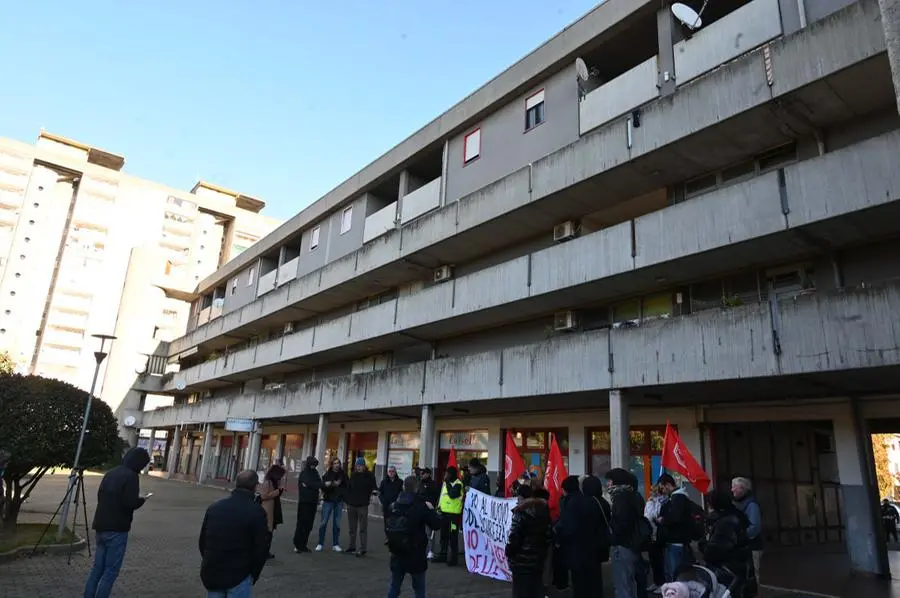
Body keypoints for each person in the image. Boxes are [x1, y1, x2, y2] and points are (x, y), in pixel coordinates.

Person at [84, 447, 151, 598]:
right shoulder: (132, 476)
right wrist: (142, 500)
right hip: (117, 529)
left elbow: (100, 495)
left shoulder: (111, 473)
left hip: (100, 525)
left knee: (97, 569)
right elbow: (130, 502)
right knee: (111, 572)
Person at [199, 470, 271, 597]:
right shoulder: (256, 512)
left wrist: (210, 561)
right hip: (239, 576)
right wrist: (253, 574)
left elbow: (203, 541)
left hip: (213, 573)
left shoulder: (215, 507)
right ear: (255, 486)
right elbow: (261, 548)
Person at [385, 476, 442, 598]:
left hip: (397, 550)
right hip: (416, 553)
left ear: (403, 487)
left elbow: (388, 525)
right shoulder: (421, 506)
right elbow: (436, 525)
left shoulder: (394, 505)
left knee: (395, 586)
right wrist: (432, 510)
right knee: (419, 588)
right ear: (417, 489)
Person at [554, 475, 609, 598]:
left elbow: (568, 527)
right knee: (594, 579)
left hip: (577, 550)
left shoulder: (572, 503)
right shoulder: (597, 502)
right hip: (594, 548)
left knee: (580, 583)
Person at [606, 467, 649, 598]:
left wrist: (613, 537)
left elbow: (621, 523)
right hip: (634, 543)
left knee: (622, 583)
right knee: (634, 582)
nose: (607, 484)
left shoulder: (620, 497)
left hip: (623, 545)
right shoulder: (635, 496)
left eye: (609, 481)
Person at [703, 489, 752, 597]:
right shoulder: (733, 516)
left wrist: (704, 545)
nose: (709, 506)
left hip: (728, 573)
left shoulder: (727, 522)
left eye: (710, 503)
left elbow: (714, 552)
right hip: (736, 570)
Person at [506, 482, 552, 598]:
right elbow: (548, 536)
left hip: (521, 563)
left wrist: (509, 551)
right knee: (535, 591)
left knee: (520, 592)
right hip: (538, 561)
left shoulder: (520, 513)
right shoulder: (543, 512)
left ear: (520, 497)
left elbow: (515, 539)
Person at [656, 473, 698, 581]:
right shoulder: (676, 498)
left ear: (668, 485)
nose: (663, 491)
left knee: (676, 574)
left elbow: (676, 517)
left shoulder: (678, 498)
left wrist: (663, 520)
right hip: (677, 540)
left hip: (676, 540)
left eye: (662, 488)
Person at [345, 457, 378, 556]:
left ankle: (362, 548)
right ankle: (352, 546)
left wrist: (374, 491)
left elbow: (374, 487)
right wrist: (347, 500)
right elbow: (349, 488)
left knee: (363, 528)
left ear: (364, 466)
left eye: (361, 466)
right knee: (352, 528)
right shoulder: (353, 475)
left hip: (363, 505)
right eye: (357, 466)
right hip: (351, 505)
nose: (359, 468)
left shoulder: (370, 476)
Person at [731, 477, 763, 583]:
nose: (732, 490)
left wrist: (739, 537)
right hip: (744, 547)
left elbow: (754, 528)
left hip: (752, 547)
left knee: (753, 576)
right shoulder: (739, 503)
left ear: (743, 488)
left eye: (734, 487)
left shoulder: (751, 504)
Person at [433, 465, 463, 566]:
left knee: (453, 537)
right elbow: (443, 496)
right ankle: (443, 555)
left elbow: (452, 494)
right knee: (443, 536)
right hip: (444, 514)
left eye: (448, 474)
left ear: (452, 474)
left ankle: (453, 559)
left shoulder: (458, 484)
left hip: (454, 515)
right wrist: (439, 505)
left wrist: (446, 482)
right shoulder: (446, 484)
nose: (446, 475)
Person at [292, 456, 321, 553]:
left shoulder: (315, 473)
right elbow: (307, 484)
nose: (313, 467)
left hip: (312, 502)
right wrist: (312, 485)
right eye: (312, 465)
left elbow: (318, 484)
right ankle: (297, 544)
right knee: (301, 524)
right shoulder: (304, 474)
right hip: (304, 502)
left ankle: (303, 545)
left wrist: (310, 485)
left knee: (309, 525)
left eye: (314, 465)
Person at [317, 458, 346, 552]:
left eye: (338, 463)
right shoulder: (327, 474)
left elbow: (347, 487)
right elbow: (323, 487)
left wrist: (343, 496)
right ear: (332, 465)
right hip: (328, 501)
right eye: (335, 463)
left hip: (339, 502)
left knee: (337, 524)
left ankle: (336, 544)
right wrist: (328, 485)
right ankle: (320, 543)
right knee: (323, 522)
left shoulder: (343, 475)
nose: (337, 465)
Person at [644, 482, 668, 592]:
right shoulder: (653, 501)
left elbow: (652, 515)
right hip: (652, 533)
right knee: (654, 559)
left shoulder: (660, 501)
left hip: (656, 533)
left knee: (658, 560)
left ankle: (661, 583)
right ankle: (657, 581)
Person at [259, 462, 286, 559]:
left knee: (271, 530)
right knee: (267, 531)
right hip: (268, 509)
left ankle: (266, 551)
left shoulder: (275, 482)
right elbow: (264, 495)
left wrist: (279, 490)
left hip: (274, 508)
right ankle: (263, 551)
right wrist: (277, 491)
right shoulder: (268, 482)